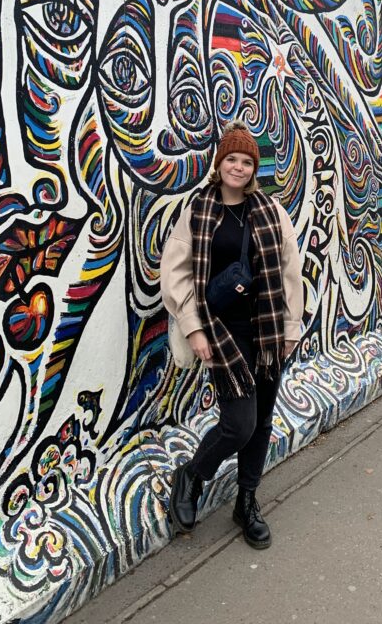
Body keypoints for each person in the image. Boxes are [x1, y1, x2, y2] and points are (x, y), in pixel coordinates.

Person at [160, 120, 304, 548]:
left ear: (253, 167)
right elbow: (176, 274)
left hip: (266, 332)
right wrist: (193, 329)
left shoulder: (269, 211)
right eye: (231, 159)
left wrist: (290, 328)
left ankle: (246, 501)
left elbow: (289, 272)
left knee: (259, 423)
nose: (238, 168)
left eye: (246, 161)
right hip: (222, 332)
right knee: (238, 424)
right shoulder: (200, 210)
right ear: (219, 162)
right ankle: (192, 475)